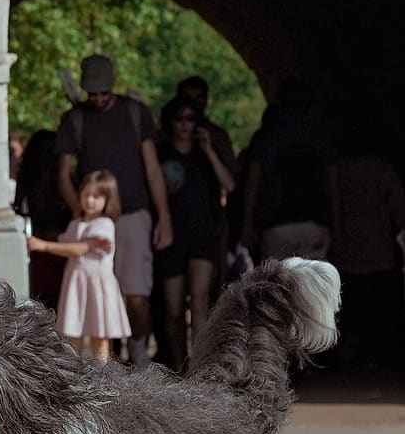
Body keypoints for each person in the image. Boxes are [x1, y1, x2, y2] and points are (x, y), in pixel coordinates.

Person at [55, 55, 172, 367]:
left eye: (103, 92)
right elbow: (63, 173)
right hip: (94, 219)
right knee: (93, 292)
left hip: (134, 213)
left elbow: (152, 168)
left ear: (112, 85)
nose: (98, 99)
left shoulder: (135, 113)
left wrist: (164, 216)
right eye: (92, 93)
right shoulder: (74, 118)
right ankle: (105, 363)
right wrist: (80, 213)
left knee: (136, 294)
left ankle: (137, 349)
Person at [155, 96, 237, 370]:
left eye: (190, 119)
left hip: (203, 233)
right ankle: (179, 365)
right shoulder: (161, 153)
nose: (185, 125)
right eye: (179, 119)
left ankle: (200, 367)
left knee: (200, 299)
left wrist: (209, 150)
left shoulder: (205, 153)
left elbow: (230, 185)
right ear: (171, 122)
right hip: (171, 236)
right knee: (173, 309)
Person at [28, 170, 130, 362]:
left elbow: (79, 249)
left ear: (107, 199)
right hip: (76, 283)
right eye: (86, 195)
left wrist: (44, 245)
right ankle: (76, 375)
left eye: (96, 196)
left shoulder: (105, 224)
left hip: (97, 286)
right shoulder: (75, 224)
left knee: (99, 336)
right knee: (73, 333)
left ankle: (104, 377)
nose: (90, 200)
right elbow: (68, 245)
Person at [240, 81, 340, 260]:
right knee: (313, 285)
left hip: (276, 223)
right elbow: (333, 185)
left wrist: (247, 223)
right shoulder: (319, 138)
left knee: (276, 283)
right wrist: (337, 226)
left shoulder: (267, 138)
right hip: (315, 223)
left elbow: (252, 183)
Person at [337, 140, 405, 366]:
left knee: (354, 304)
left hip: (350, 246)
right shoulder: (382, 169)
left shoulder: (341, 170)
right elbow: (399, 205)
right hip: (379, 247)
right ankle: (380, 353)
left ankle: (358, 352)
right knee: (381, 304)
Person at [14, 129, 71, 307]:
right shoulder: (65, 179)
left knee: (43, 294)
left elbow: (18, 205)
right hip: (57, 238)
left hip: (42, 238)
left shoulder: (28, 176)